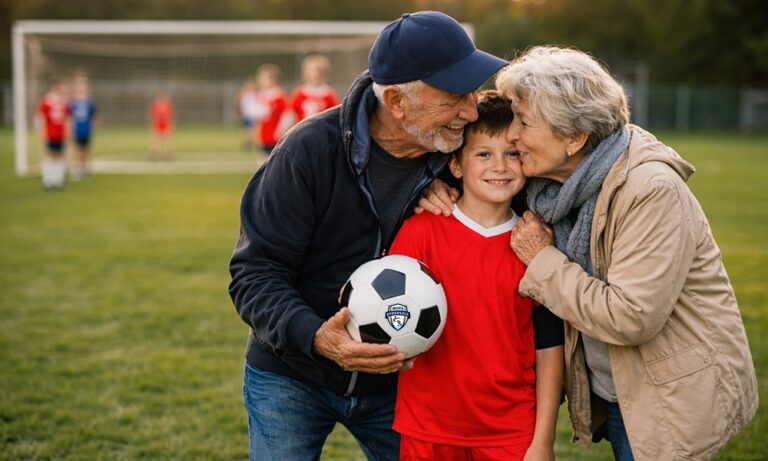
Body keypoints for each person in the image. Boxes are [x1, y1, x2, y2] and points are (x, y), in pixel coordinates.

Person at [420, 46, 759, 461]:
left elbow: (631, 316)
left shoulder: (649, 190)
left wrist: (542, 259)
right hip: (618, 385)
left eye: (524, 123)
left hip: (666, 396)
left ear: (574, 138)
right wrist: (435, 187)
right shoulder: (552, 184)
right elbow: (479, 168)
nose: (513, 135)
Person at [228, 11, 507, 461]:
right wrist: (317, 336)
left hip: (403, 383)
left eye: (473, 91)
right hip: (291, 373)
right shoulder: (308, 151)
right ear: (396, 101)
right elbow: (254, 273)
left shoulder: (462, 156)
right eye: (455, 96)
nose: (471, 110)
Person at [389, 90, 564, 461]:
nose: (499, 166)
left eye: (512, 154)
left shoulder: (534, 244)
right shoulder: (421, 232)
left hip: (510, 430)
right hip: (427, 426)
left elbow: (549, 348)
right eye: (483, 154)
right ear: (455, 164)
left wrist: (543, 441)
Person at [37, 79, 70, 190]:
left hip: (61, 134)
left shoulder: (64, 102)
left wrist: (68, 131)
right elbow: (40, 117)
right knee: (50, 155)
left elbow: (67, 118)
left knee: (60, 155)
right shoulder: (47, 101)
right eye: (61, 88)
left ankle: (58, 179)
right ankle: (48, 179)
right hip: (50, 133)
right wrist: (40, 131)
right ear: (55, 88)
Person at [289, 54, 339, 123]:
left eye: (319, 70)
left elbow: (333, 116)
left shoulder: (329, 94)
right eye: (311, 70)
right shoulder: (299, 93)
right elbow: (292, 114)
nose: (315, 73)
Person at [253, 63, 288, 154]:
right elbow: (259, 117)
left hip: (275, 134)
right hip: (264, 134)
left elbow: (286, 114)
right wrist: (256, 130)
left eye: (269, 77)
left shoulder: (279, 95)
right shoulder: (260, 95)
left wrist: (281, 130)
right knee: (263, 159)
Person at [68, 76, 98, 180]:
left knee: (85, 150)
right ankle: (76, 170)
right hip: (76, 130)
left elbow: (94, 116)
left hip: (86, 130)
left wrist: (93, 127)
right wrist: (70, 130)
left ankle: (85, 169)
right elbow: (69, 118)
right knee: (75, 150)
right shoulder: (72, 103)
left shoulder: (90, 103)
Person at [235, 78, 265, 152]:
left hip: (253, 115)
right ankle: (248, 144)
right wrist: (239, 113)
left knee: (252, 130)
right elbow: (240, 104)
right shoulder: (244, 95)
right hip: (247, 115)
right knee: (248, 130)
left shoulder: (256, 94)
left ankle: (252, 144)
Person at [148, 90, 175, 161]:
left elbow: (171, 116)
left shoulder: (167, 105)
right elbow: (152, 116)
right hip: (157, 124)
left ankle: (168, 156)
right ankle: (153, 156)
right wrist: (152, 125)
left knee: (168, 142)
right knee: (155, 142)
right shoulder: (155, 105)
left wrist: (172, 126)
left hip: (166, 124)